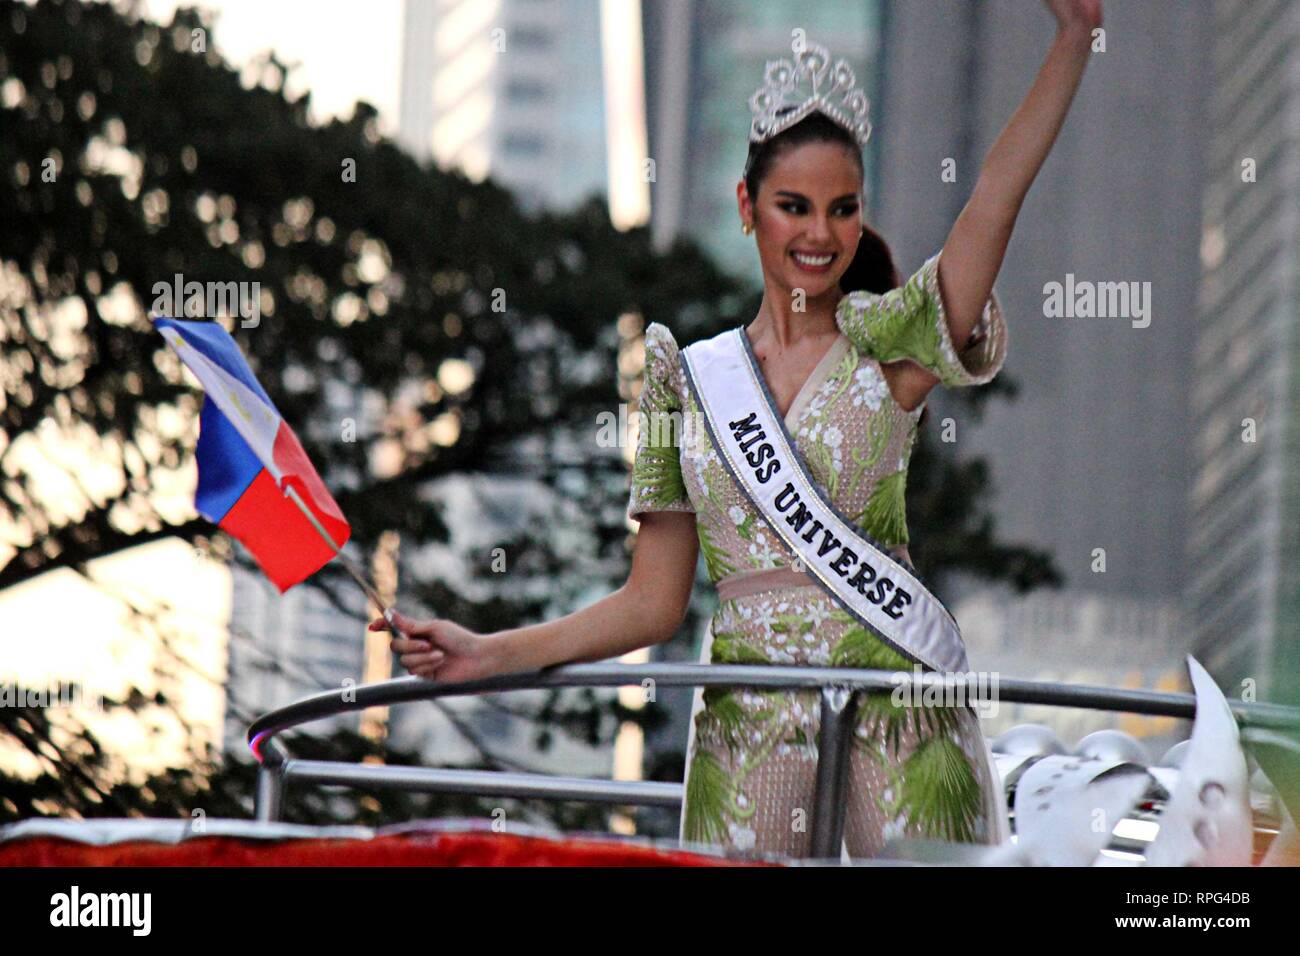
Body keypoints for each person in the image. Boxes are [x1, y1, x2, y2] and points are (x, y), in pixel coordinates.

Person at [371, 0, 1102, 859]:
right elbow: (652, 602)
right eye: (795, 206)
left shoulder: (893, 342)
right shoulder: (687, 377)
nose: (821, 234)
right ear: (747, 206)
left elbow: (991, 203)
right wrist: (486, 654)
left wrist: (1072, 38)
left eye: (843, 208)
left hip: (901, 704)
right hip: (747, 719)